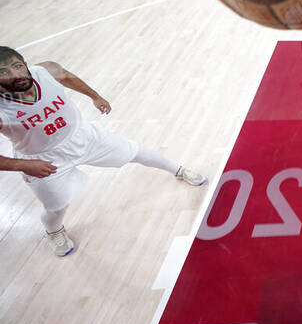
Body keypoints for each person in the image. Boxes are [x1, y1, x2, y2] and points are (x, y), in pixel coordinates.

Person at [0, 47, 205, 257]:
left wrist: (95, 96)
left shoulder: (45, 71)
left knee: (136, 152)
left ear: (25, 64)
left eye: (17, 66)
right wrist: (24, 165)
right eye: (4, 72)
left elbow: (67, 76)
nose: (15, 74)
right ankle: (53, 231)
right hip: (42, 160)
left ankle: (179, 170)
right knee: (57, 206)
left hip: (83, 136)